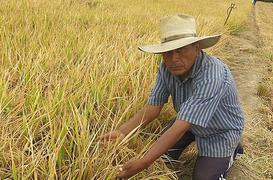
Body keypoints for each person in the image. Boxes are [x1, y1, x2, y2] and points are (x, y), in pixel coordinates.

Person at [100, 14, 244, 180]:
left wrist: (144, 162)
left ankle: (234, 149)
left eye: (181, 51)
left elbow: (180, 126)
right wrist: (122, 132)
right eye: (167, 52)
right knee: (159, 158)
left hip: (220, 131)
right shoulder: (166, 67)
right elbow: (153, 108)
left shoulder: (212, 75)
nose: (174, 59)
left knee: (202, 177)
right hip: (189, 125)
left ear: (197, 48)